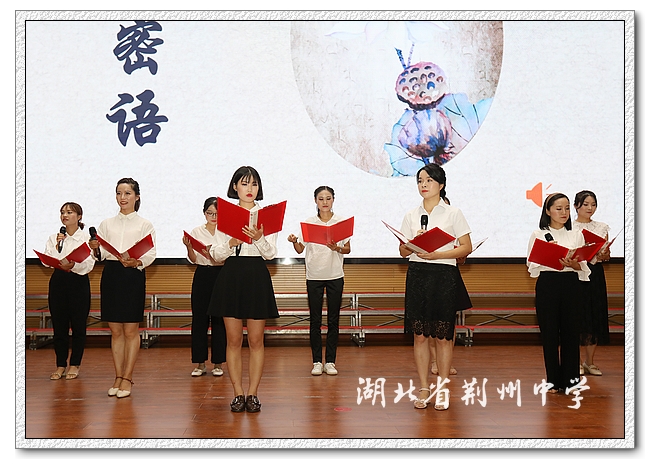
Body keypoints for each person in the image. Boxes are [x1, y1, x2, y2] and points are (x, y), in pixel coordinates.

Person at [399, 163, 472, 411]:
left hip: (444, 275)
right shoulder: (411, 215)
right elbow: (402, 251)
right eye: (420, 180)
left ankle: (442, 388)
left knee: (442, 337)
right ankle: (423, 387)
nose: (423, 184)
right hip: (418, 275)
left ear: (441, 185)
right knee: (420, 336)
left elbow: (466, 247)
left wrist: (438, 254)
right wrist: (414, 242)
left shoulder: (453, 213)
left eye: (429, 180)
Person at [207, 166, 279, 413]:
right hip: (232, 275)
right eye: (245, 183)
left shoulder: (266, 215)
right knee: (234, 340)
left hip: (256, 275)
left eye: (254, 184)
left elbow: (271, 254)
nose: (250, 189)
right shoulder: (224, 214)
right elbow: (216, 255)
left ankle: (253, 393)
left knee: (256, 340)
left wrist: (259, 238)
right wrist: (231, 242)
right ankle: (238, 393)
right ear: (235, 186)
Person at [89, 178, 156, 398]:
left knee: (130, 330)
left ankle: (127, 377)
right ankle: (117, 376)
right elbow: (99, 256)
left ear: (137, 197)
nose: (123, 197)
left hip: (132, 275)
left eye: (127, 193)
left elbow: (151, 254)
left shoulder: (145, 224)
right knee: (115, 330)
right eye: (119, 193)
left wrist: (137, 261)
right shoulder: (106, 224)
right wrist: (95, 249)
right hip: (111, 274)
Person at [526, 192, 590, 393]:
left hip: (571, 284)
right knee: (550, 334)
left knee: (571, 333)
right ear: (548, 211)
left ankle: (572, 380)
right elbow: (532, 265)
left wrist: (573, 264)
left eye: (567, 208)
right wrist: (550, 256)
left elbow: (584, 267)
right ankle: (553, 380)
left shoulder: (576, 234)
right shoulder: (539, 234)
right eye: (558, 208)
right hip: (548, 284)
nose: (564, 212)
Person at [287, 186, 351, 377]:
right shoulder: (309, 223)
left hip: (335, 275)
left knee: (333, 320)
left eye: (328, 198)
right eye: (321, 198)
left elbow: (347, 249)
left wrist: (336, 248)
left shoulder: (341, 222)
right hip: (314, 275)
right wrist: (294, 241)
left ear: (333, 200)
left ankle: (330, 361)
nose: (325, 202)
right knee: (315, 320)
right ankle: (316, 361)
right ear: (315, 200)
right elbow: (300, 249)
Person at [43, 202, 95, 380]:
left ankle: (75, 364)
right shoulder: (54, 238)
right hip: (58, 282)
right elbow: (46, 261)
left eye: (69, 212)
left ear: (79, 217)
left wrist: (73, 265)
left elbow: (89, 264)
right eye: (62, 212)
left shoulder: (86, 239)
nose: (65, 215)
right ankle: (60, 365)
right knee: (59, 327)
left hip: (78, 282)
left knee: (79, 326)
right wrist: (57, 246)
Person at [182, 197, 228, 377]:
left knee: (219, 320)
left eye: (217, 213)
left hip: (221, 275)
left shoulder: (226, 232)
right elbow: (194, 259)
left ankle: (218, 363)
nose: (213, 217)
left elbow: (229, 256)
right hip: (202, 274)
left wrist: (214, 253)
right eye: (210, 213)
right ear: (204, 213)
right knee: (199, 319)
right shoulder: (197, 231)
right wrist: (189, 247)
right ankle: (200, 363)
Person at [573, 190, 611, 376]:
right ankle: (576, 361)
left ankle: (590, 362)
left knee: (594, 315)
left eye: (593, 204)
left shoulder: (601, 227)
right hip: (575, 273)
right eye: (585, 204)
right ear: (576, 206)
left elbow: (606, 256)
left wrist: (604, 254)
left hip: (594, 274)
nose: (590, 208)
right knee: (576, 316)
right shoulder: (569, 227)